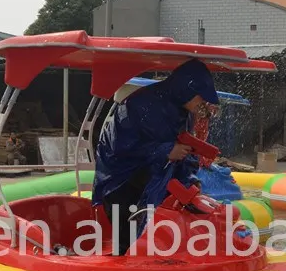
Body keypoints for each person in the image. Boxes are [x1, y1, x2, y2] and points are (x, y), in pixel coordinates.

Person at [92, 59, 219, 255]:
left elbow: (185, 149)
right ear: (187, 89)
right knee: (128, 240)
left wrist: (190, 179)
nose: (204, 105)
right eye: (201, 99)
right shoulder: (139, 105)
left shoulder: (185, 112)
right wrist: (166, 151)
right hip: (121, 181)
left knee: (161, 234)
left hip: (155, 179)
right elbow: (121, 147)